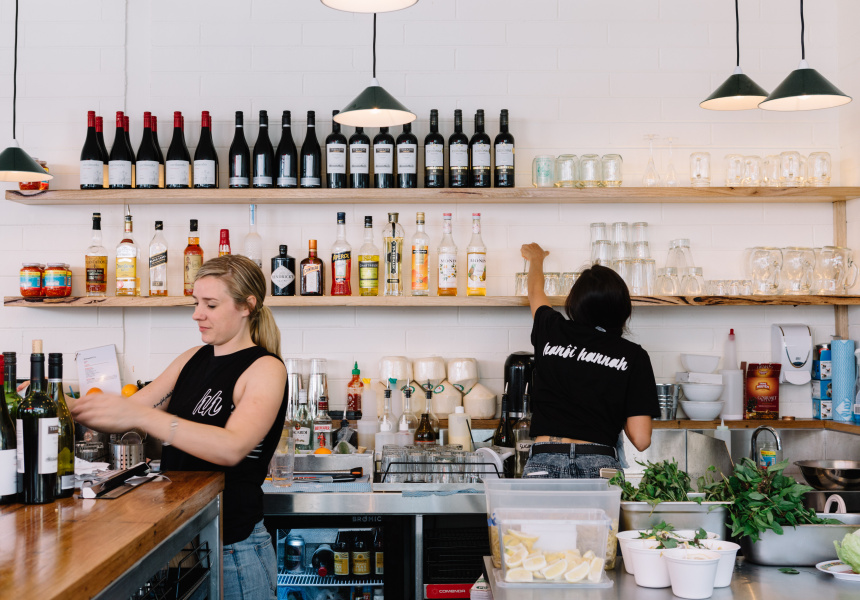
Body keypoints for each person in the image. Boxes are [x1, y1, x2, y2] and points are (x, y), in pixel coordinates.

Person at [71, 255, 287, 600]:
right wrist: (58, 405)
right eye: (196, 303)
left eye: (210, 304)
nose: (197, 314)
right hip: (185, 542)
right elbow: (125, 413)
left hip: (234, 549)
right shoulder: (193, 358)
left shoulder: (265, 368)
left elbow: (231, 447)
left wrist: (147, 419)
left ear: (247, 306)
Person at [519, 243, 659, 479]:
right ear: (623, 310)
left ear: (574, 304)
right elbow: (641, 439)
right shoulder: (634, 356)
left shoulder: (551, 329)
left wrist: (536, 259)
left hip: (544, 461)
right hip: (600, 465)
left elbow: (534, 291)